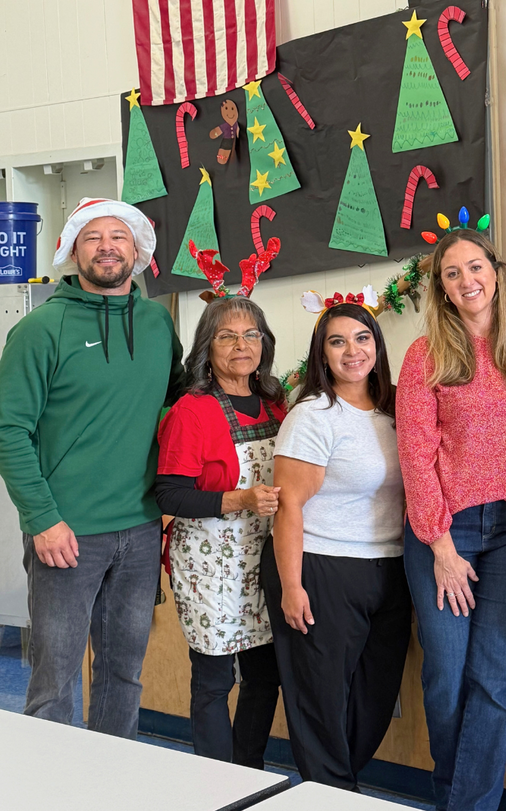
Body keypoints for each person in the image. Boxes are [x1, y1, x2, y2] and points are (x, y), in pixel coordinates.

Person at [395, 227, 506, 811]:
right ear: (442, 289)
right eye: (452, 274)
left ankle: (464, 806)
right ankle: (459, 798)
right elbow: (415, 454)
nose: (466, 280)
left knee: (497, 679)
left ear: (496, 272)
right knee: (446, 678)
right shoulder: (426, 355)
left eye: (475, 267)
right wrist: (441, 546)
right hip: (444, 531)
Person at [0, 197, 184, 737]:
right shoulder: (40, 330)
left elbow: (178, 403)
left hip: (141, 528)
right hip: (66, 532)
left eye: (118, 237)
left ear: (137, 249)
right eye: (93, 238)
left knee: (123, 677)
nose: (107, 247)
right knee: (54, 684)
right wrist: (42, 520)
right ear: (73, 250)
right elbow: (8, 430)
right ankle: (49, 781)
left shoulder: (156, 323)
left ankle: (114, 777)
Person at [261, 295, 411, 791]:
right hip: (320, 567)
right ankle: (333, 795)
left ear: (377, 345)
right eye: (337, 342)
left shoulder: (394, 409)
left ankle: (332, 788)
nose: (352, 351)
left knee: (374, 698)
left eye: (362, 338)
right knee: (321, 703)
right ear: (321, 354)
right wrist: (291, 586)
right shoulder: (314, 415)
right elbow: (289, 506)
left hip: (388, 567)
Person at [156, 291, 286, 769]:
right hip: (210, 567)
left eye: (251, 335)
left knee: (265, 674)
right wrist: (241, 499)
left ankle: (247, 773)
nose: (241, 345)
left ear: (264, 343)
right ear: (206, 347)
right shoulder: (192, 410)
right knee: (214, 681)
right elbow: (169, 495)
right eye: (226, 336)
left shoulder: (276, 403)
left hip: (266, 560)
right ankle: (214, 784)